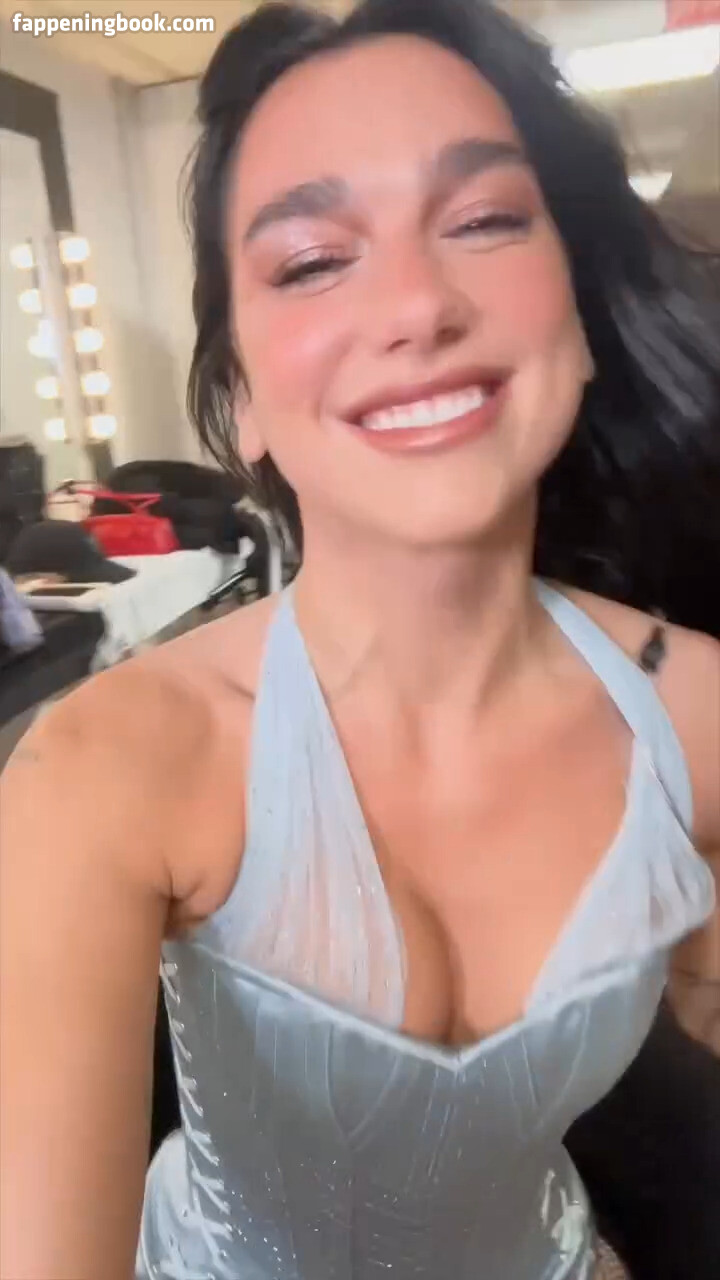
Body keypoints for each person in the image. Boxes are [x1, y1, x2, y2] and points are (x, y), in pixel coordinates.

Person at [1, 2, 718, 1278]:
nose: (418, 305)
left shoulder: (698, 714)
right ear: (238, 397)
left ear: (577, 314)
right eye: (313, 260)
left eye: (484, 220)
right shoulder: (107, 767)